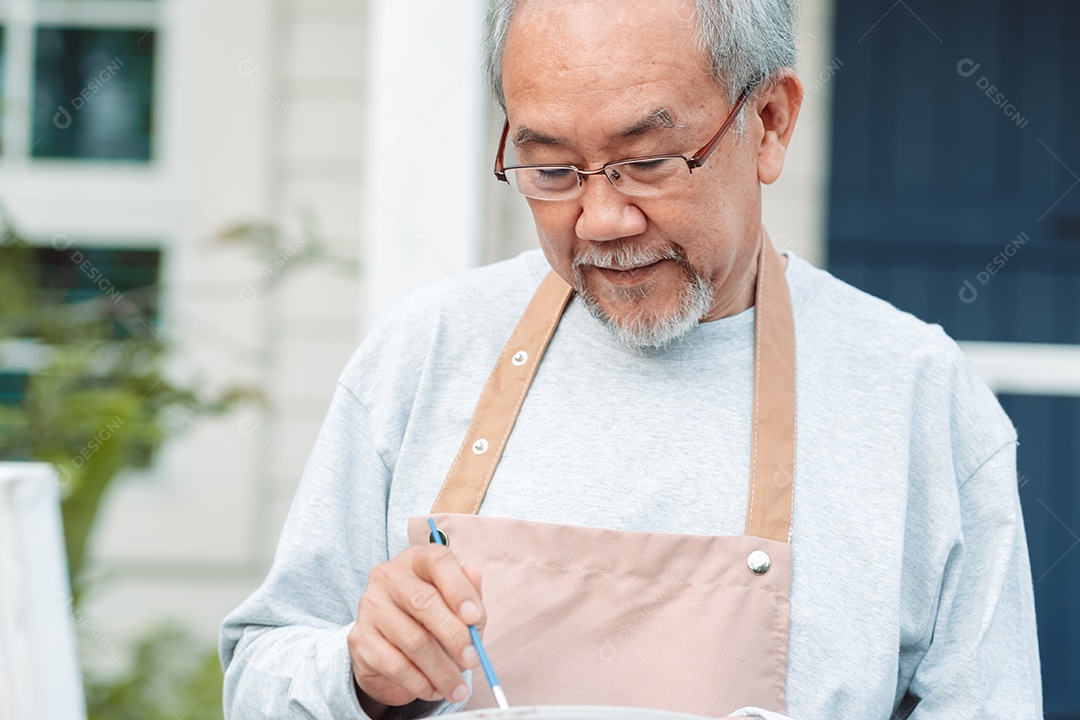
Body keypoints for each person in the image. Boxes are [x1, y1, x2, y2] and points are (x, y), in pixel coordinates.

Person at [219, 0, 1043, 718]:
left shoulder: (917, 399)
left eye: (647, 162)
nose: (601, 219)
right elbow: (259, 673)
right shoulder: (425, 351)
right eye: (551, 169)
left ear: (769, 123)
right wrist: (358, 675)